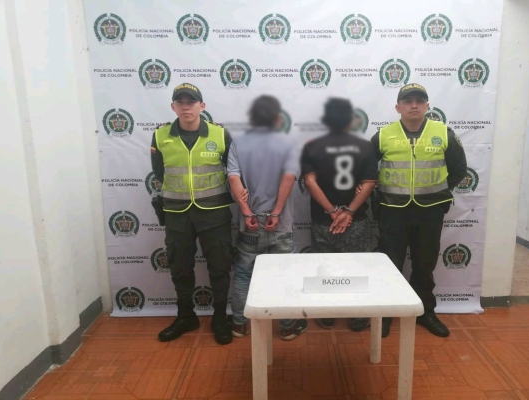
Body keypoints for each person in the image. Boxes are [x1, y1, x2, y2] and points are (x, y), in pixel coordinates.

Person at [370, 83, 467, 338]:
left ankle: (425, 312)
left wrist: (437, 191)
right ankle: (386, 313)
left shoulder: (443, 133)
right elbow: (368, 171)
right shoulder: (383, 135)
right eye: (408, 101)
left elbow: (459, 169)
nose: (414, 105)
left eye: (419, 101)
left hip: (430, 211)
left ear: (427, 105)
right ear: (398, 107)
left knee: (425, 263)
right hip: (393, 210)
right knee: (390, 263)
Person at [151, 83, 245, 344]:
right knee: (180, 267)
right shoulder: (160, 136)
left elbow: (234, 171)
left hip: (214, 213)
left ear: (202, 106)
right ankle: (185, 316)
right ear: (173, 107)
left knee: (219, 267)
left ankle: (219, 317)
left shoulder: (220, 134)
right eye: (180, 102)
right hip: (176, 213)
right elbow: (159, 172)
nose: (186, 107)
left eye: (191, 102)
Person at [227, 95, 308, 341]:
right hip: (280, 225)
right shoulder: (289, 143)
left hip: (250, 224)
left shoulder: (238, 143)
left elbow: (233, 178)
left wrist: (247, 212)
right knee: (284, 276)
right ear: (277, 118)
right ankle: (288, 327)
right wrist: (276, 212)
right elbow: (289, 177)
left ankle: (239, 324)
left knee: (243, 274)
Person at [299, 98, 378, 332]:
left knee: (324, 269)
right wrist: (349, 211)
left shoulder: (311, 146)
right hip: (356, 220)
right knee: (358, 269)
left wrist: (333, 212)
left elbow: (309, 181)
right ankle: (358, 316)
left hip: (325, 220)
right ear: (351, 120)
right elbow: (369, 182)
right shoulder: (365, 146)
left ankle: (327, 314)